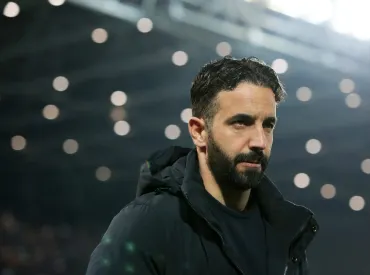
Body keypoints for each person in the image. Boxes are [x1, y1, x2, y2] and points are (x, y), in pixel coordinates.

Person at [85, 56, 319, 275]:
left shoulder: (286, 231)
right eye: (241, 123)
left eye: (268, 125)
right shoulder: (146, 224)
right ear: (199, 132)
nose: (260, 141)